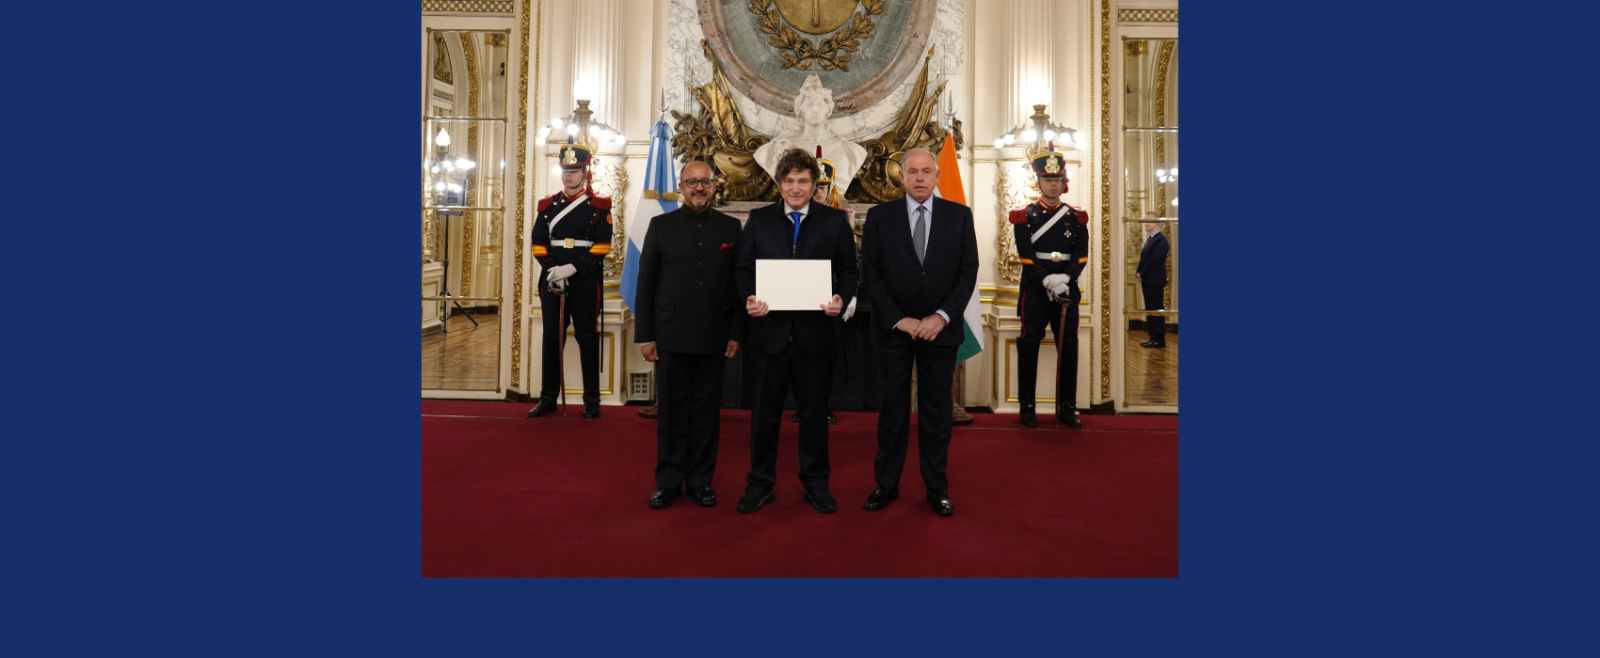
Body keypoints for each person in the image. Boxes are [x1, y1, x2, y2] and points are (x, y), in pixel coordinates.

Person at [734, 148, 858, 514]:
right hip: (768, 334)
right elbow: (743, 271)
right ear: (779, 183)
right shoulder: (758, 220)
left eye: (803, 181)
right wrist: (749, 299)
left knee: (815, 416)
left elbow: (849, 271)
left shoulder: (835, 221)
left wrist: (841, 297)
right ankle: (760, 483)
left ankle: (817, 484)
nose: (796, 188)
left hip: (815, 336)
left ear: (814, 183)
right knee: (764, 417)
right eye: (789, 181)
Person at [859, 147, 979, 516]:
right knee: (893, 411)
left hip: (940, 331)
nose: (920, 178)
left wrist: (940, 316)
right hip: (895, 331)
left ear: (938, 176)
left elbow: (968, 271)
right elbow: (871, 274)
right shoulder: (880, 217)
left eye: (927, 171)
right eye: (913, 171)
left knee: (936, 412)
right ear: (902, 176)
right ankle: (887, 484)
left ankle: (936, 486)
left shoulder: (959, 216)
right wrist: (900, 319)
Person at [633, 161, 745, 508]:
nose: (699, 188)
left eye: (705, 182)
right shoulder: (660, 225)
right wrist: (645, 336)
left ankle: (700, 481)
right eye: (692, 182)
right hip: (669, 335)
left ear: (715, 187)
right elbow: (646, 283)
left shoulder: (731, 228)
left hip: (715, 335)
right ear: (680, 187)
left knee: (706, 413)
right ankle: (668, 481)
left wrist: (737, 331)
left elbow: (740, 285)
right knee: (671, 411)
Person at [526, 136, 612, 420]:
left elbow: (602, 245)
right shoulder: (547, 205)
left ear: (585, 173)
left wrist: (572, 269)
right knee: (552, 338)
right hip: (552, 281)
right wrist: (553, 270)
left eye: (574, 171)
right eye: (565, 170)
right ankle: (548, 398)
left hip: (585, 280)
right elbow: (538, 242)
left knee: (587, 338)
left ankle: (591, 401)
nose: (568, 174)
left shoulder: (599, 205)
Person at [1009, 142, 1090, 428]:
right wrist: (1046, 279)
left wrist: (1066, 278)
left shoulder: (1076, 216)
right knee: (1029, 343)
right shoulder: (1024, 215)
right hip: (1035, 288)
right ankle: (1027, 407)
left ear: (1064, 182)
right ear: (1038, 181)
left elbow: (1081, 254)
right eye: (1048, 180)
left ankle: (1068, 408)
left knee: (1067, 345)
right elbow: (1024, 255)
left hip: (1067, 290)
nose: (1053, 185)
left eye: (1057, 180)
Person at [791, 147, 850, 425]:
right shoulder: (788, 218)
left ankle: (822, 405)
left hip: (826, 305)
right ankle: (800, 405)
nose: (818, 193)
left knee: (826, 361)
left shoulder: (839, 220)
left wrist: (847, 296)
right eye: (815, 186)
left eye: (822, 187)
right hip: (791, 305)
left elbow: (850, 265)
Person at [1137, 212, 1170, 348]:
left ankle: (1158, 338)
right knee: (1150, 309)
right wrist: (1139, 272)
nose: (1145, 223)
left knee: (1156, 309)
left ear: (1156, 222)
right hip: (1148, 279)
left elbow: (1154, 260)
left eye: (1148, 221)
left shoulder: (1161, 240)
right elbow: (1144, 259)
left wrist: (1142, 273)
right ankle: (1153, 337)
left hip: (1154, 280)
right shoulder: (1151, 239)